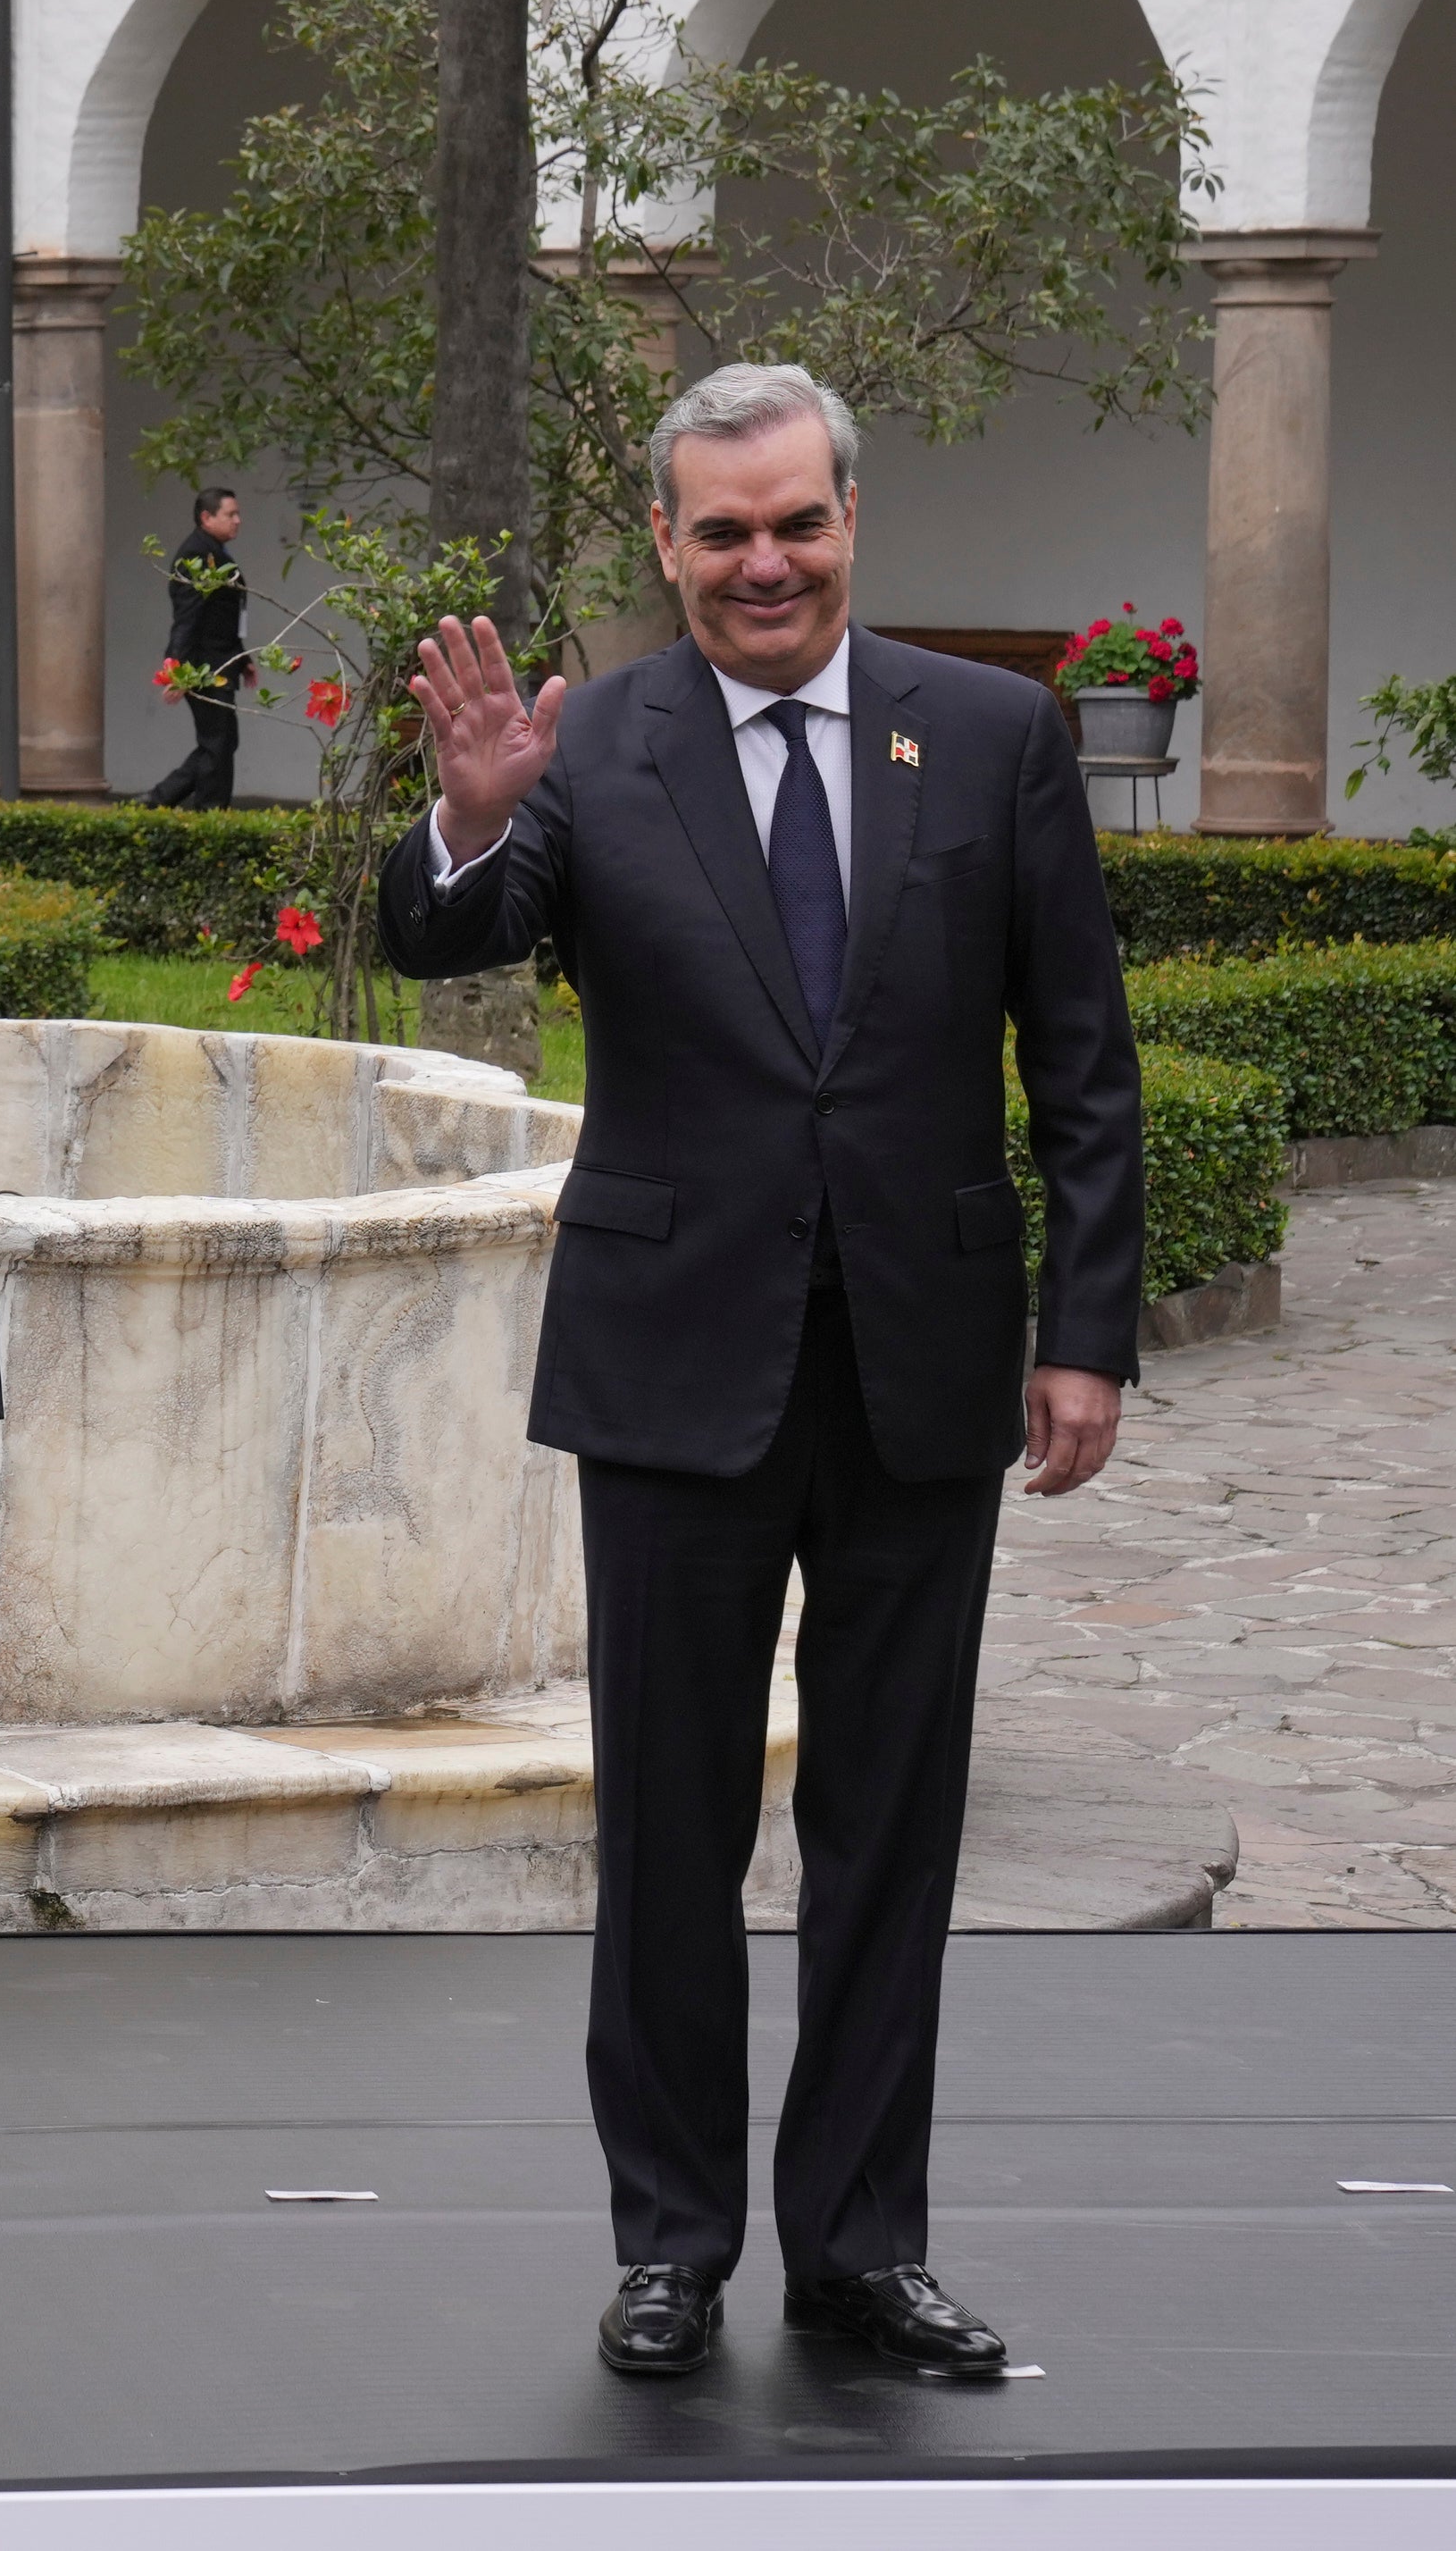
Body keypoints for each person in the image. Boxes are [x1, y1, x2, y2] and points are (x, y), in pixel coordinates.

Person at [379, 362, 1142, 2386]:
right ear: (662, 542)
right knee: (667, 1838)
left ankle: (859, 2252)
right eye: (718, 531)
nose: (760, 563)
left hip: (918, 1370)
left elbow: (1079, 1053)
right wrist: (467, 814)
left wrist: (1082, 1335)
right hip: (669, 1372)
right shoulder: (589, 739)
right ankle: (669, 2243)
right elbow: (443, 935)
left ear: (847, 522)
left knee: (890, 1832)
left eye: (792, 522)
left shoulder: (986, 736)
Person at [140, 487, 249, 809]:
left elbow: (223, 615)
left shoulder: (213, 551)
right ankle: (207, 809)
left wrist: (244, 658)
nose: (237, 521)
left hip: (220, 661)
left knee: (222, 741)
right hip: (203, 666)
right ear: (206, 517)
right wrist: (175, 670)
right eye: (230, 514)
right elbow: (187, 618)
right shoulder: (196, 556)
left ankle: (163, 799)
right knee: (218, 741)